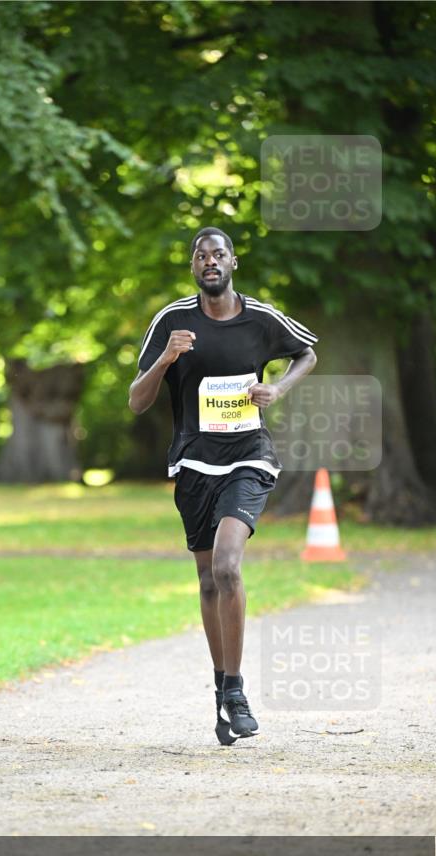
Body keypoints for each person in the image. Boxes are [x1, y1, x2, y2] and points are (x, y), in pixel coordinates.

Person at [128, 227, 318, 744]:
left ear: (233, 261)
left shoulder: (259, 317)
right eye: (201, 256)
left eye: (218, 254)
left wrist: (276, 387)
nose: (210, 262)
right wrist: (166, 358)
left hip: (249, 457)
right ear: (194, 267)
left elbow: (307, 353)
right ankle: (221, 690)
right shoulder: (172, 321)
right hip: (193, 464)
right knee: (208, 580)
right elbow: (137, 400)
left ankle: (236, 690)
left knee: (227, 565)